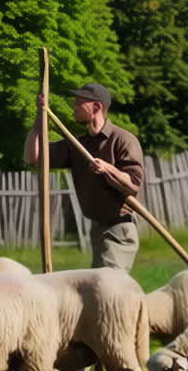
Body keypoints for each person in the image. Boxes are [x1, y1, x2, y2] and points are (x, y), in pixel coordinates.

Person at [24, 83, 144, 271]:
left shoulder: (123, 140)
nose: (74, 108)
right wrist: (39, 120)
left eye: (79, 103)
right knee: (101, 293)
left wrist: (108, 169)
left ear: (96, 107)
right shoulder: (78, 145)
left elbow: (133, 186)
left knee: (107, 289)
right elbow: (34, 157)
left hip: (119, 230)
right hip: (97, 229)